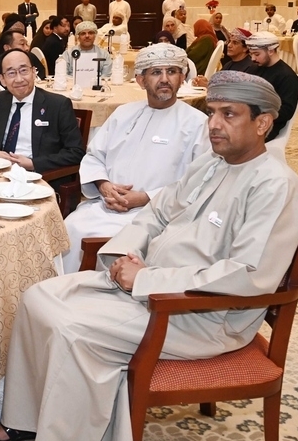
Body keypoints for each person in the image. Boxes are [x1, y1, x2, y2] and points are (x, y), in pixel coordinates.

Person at [0, 70, 298, 441]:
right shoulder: (212, 163)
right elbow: (158, 214)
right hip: (151, 288)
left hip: (202, 313)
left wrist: (146, 279)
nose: (214, 124)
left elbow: (248, 275)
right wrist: (127, 254)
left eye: (228, 114)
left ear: (263, 123)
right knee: (37, 297)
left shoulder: (277, 186)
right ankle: (31, 419)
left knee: (75, 331)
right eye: (212, 112)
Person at [61, 44, 210, 272]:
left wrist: (144, 197)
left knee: (112, 241)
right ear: (141, 80)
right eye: (155, 72)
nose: (164, 79)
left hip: (156, 215)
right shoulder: (123, 113)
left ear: (182, 78)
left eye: (171, 71)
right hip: (105, 206)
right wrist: (103, 185)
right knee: (69, 228)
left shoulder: (197, 124)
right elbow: (94, 156)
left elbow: (197, 183)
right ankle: (67, 295)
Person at [0, 49, 84, 173]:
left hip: (38, 175)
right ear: (2, 80)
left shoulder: (58, 104)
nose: (19, 79)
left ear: (34, 72)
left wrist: (33, 164)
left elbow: (76, 152)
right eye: (11, 73)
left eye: (24, 70)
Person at [244, 31, 298, 142]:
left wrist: (256, 114)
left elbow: (286, 111)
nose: (253, 59)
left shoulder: (287, 77)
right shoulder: (255, 68)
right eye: (251, 54)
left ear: (270, 51)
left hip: (265, 127)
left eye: (257, 54)